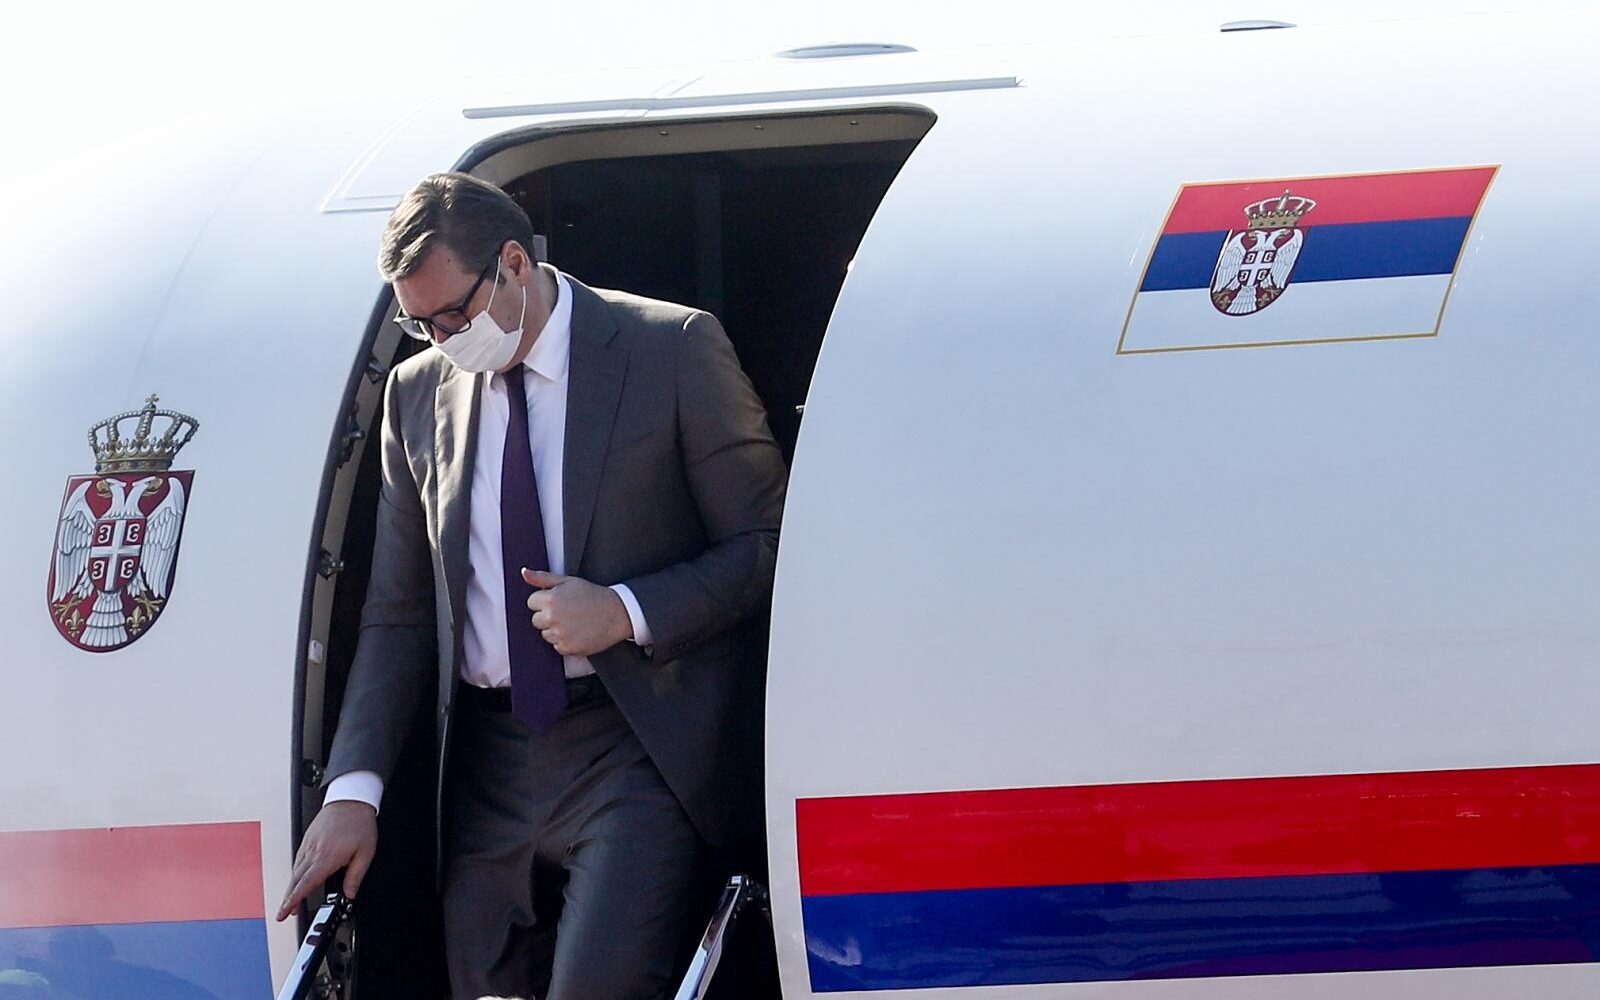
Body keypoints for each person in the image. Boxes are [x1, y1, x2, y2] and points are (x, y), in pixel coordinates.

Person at [275, 171, 786, 1000]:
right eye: (418, 323)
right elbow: (398, 616)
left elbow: (765, 546)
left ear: (514, 262)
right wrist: (353, 791)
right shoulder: (416, 394)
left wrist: (624, 611)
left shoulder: (671, 349)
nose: (441, 339)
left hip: (631, 742)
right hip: (486, 765)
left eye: (454, 315)